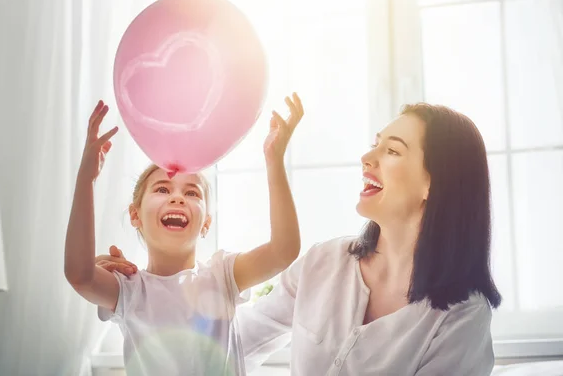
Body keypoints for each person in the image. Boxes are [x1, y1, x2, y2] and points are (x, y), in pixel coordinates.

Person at [97, 102, 502, 375]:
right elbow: (233, 341)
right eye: (374, 144)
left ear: (434, 182)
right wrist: (159, 295)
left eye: (392, 151)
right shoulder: (325, 262)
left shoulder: (462, 317)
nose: (367, 157)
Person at [65, 94, 304, 376]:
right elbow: (80, 275)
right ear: (135, 215)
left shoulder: (222, 275)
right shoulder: (129, 289)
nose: (178, 198)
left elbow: (284, 250)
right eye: (162, 189)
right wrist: (86, 178)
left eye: (191, 193)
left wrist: (274, 160)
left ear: (206, 223)